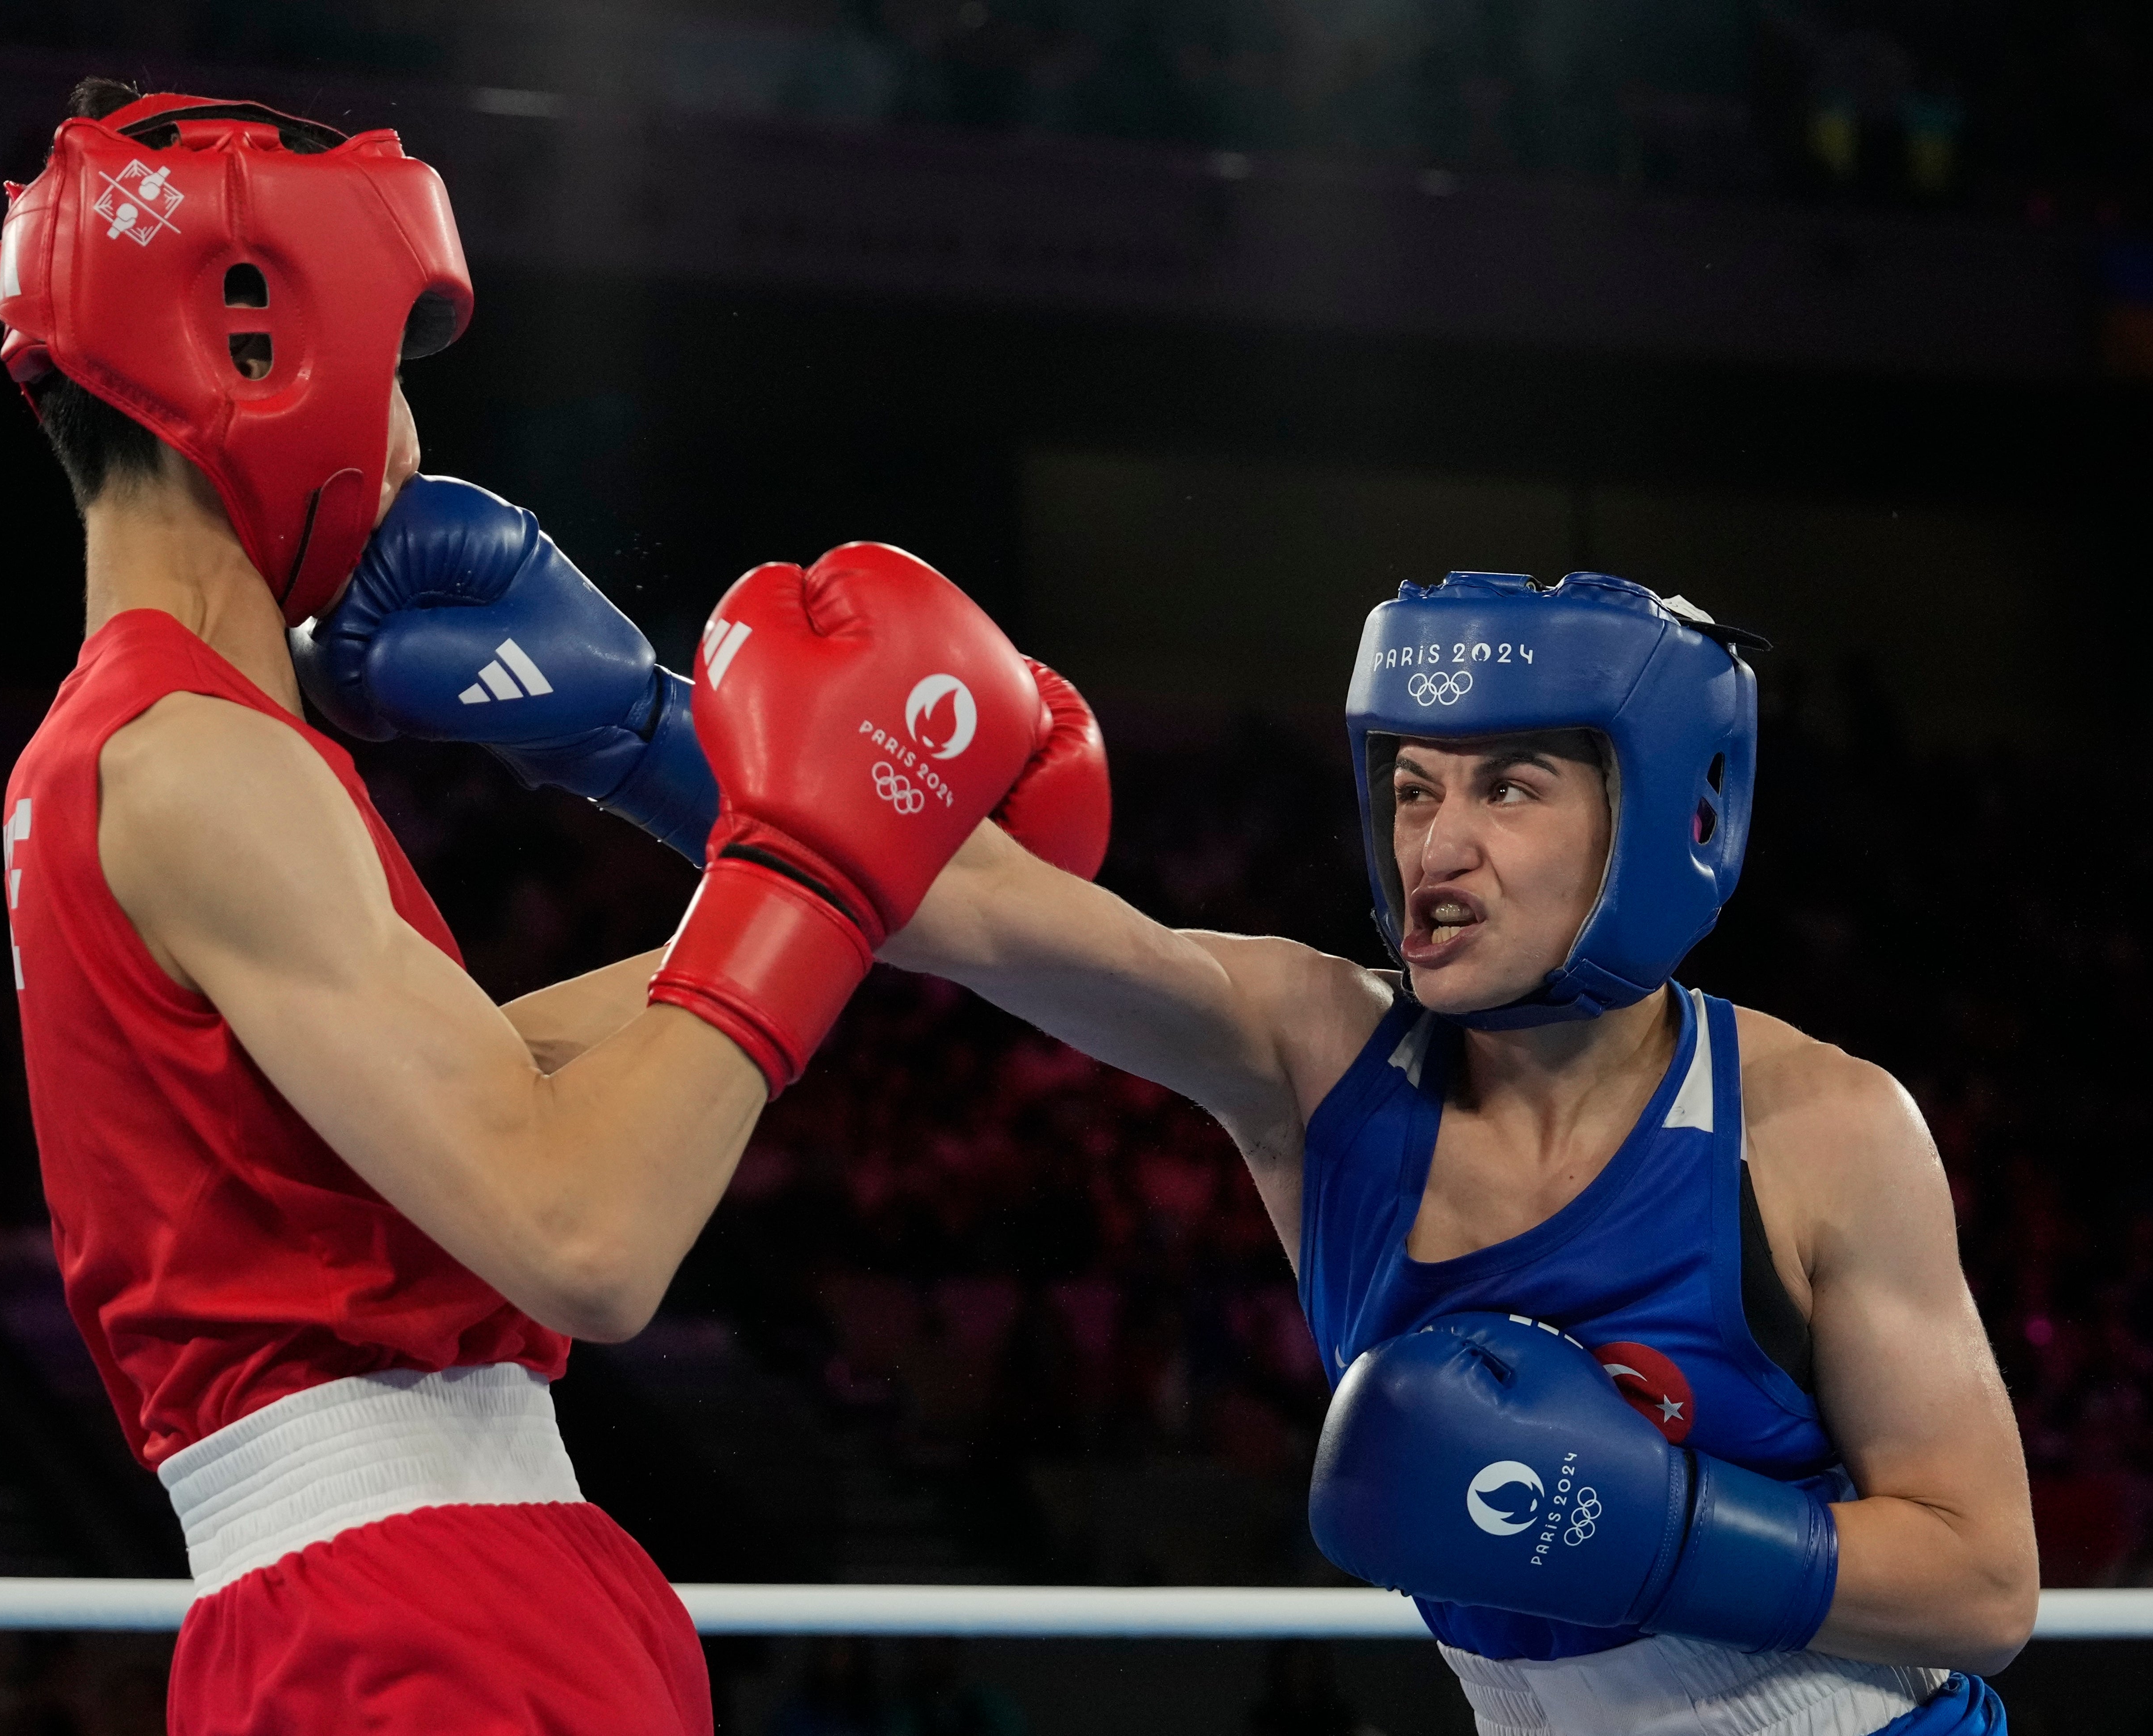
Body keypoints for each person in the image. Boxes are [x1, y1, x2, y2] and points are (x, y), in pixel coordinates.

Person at [0, 79, 1084, 1735]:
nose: (412, 442)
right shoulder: (200, 761)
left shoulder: (112, 748)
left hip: (385, 1611)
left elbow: (479, 1086)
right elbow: (584, 1236)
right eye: (399, 377)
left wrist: (830, 880)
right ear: (261, 358)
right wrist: (808, 870)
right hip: (425, 1630)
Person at [870, 572, 2038, 1733]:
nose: (1437, 844)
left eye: (1508, 790)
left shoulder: (1817, 1124)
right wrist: (687, 737)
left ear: (1667, 814)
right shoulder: (1316, 1055)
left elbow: (1982, 1587)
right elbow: (978, 909)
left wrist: (1660, 1534)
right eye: (1412, 789)